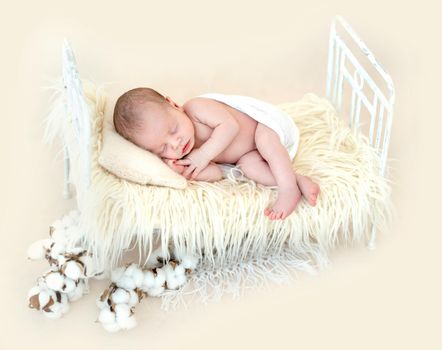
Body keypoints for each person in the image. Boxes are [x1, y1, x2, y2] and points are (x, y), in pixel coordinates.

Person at [113, 87, 320, 220]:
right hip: (247, 155)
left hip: (264, 126)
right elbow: (217, 173)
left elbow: (229, 126)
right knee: (249, 168)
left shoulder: (195, 108)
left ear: (174, 105)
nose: (175, 144)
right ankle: (298, 180)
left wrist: (202, 155)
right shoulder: (184, 153)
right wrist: (184, 172)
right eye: (162, 148)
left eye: (173, 129)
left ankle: (288, 188)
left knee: (265, 141)